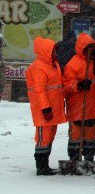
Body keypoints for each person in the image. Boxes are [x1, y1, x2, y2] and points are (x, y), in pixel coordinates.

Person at [26, 37, 67, 175]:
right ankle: (41, 167)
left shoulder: (52, 65)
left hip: (52, 109)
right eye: (53, 50)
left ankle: (45, 165)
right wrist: (45, 108)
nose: (55, 53)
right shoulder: (38, 67)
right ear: (45, 52)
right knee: (43, 139)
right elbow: (40, 90)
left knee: (49, 138)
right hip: (44, 110)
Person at [63, 33, 95, 162]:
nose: (92, 51)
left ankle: (89, 159)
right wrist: (79, 85)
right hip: (78, 109)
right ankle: (74, 160)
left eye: (93, 48)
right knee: (76, 137)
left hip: (94, 109)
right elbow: (67, 85)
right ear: (82, 49)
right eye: (89, 48)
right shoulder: (73, 64)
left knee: (91, 137)